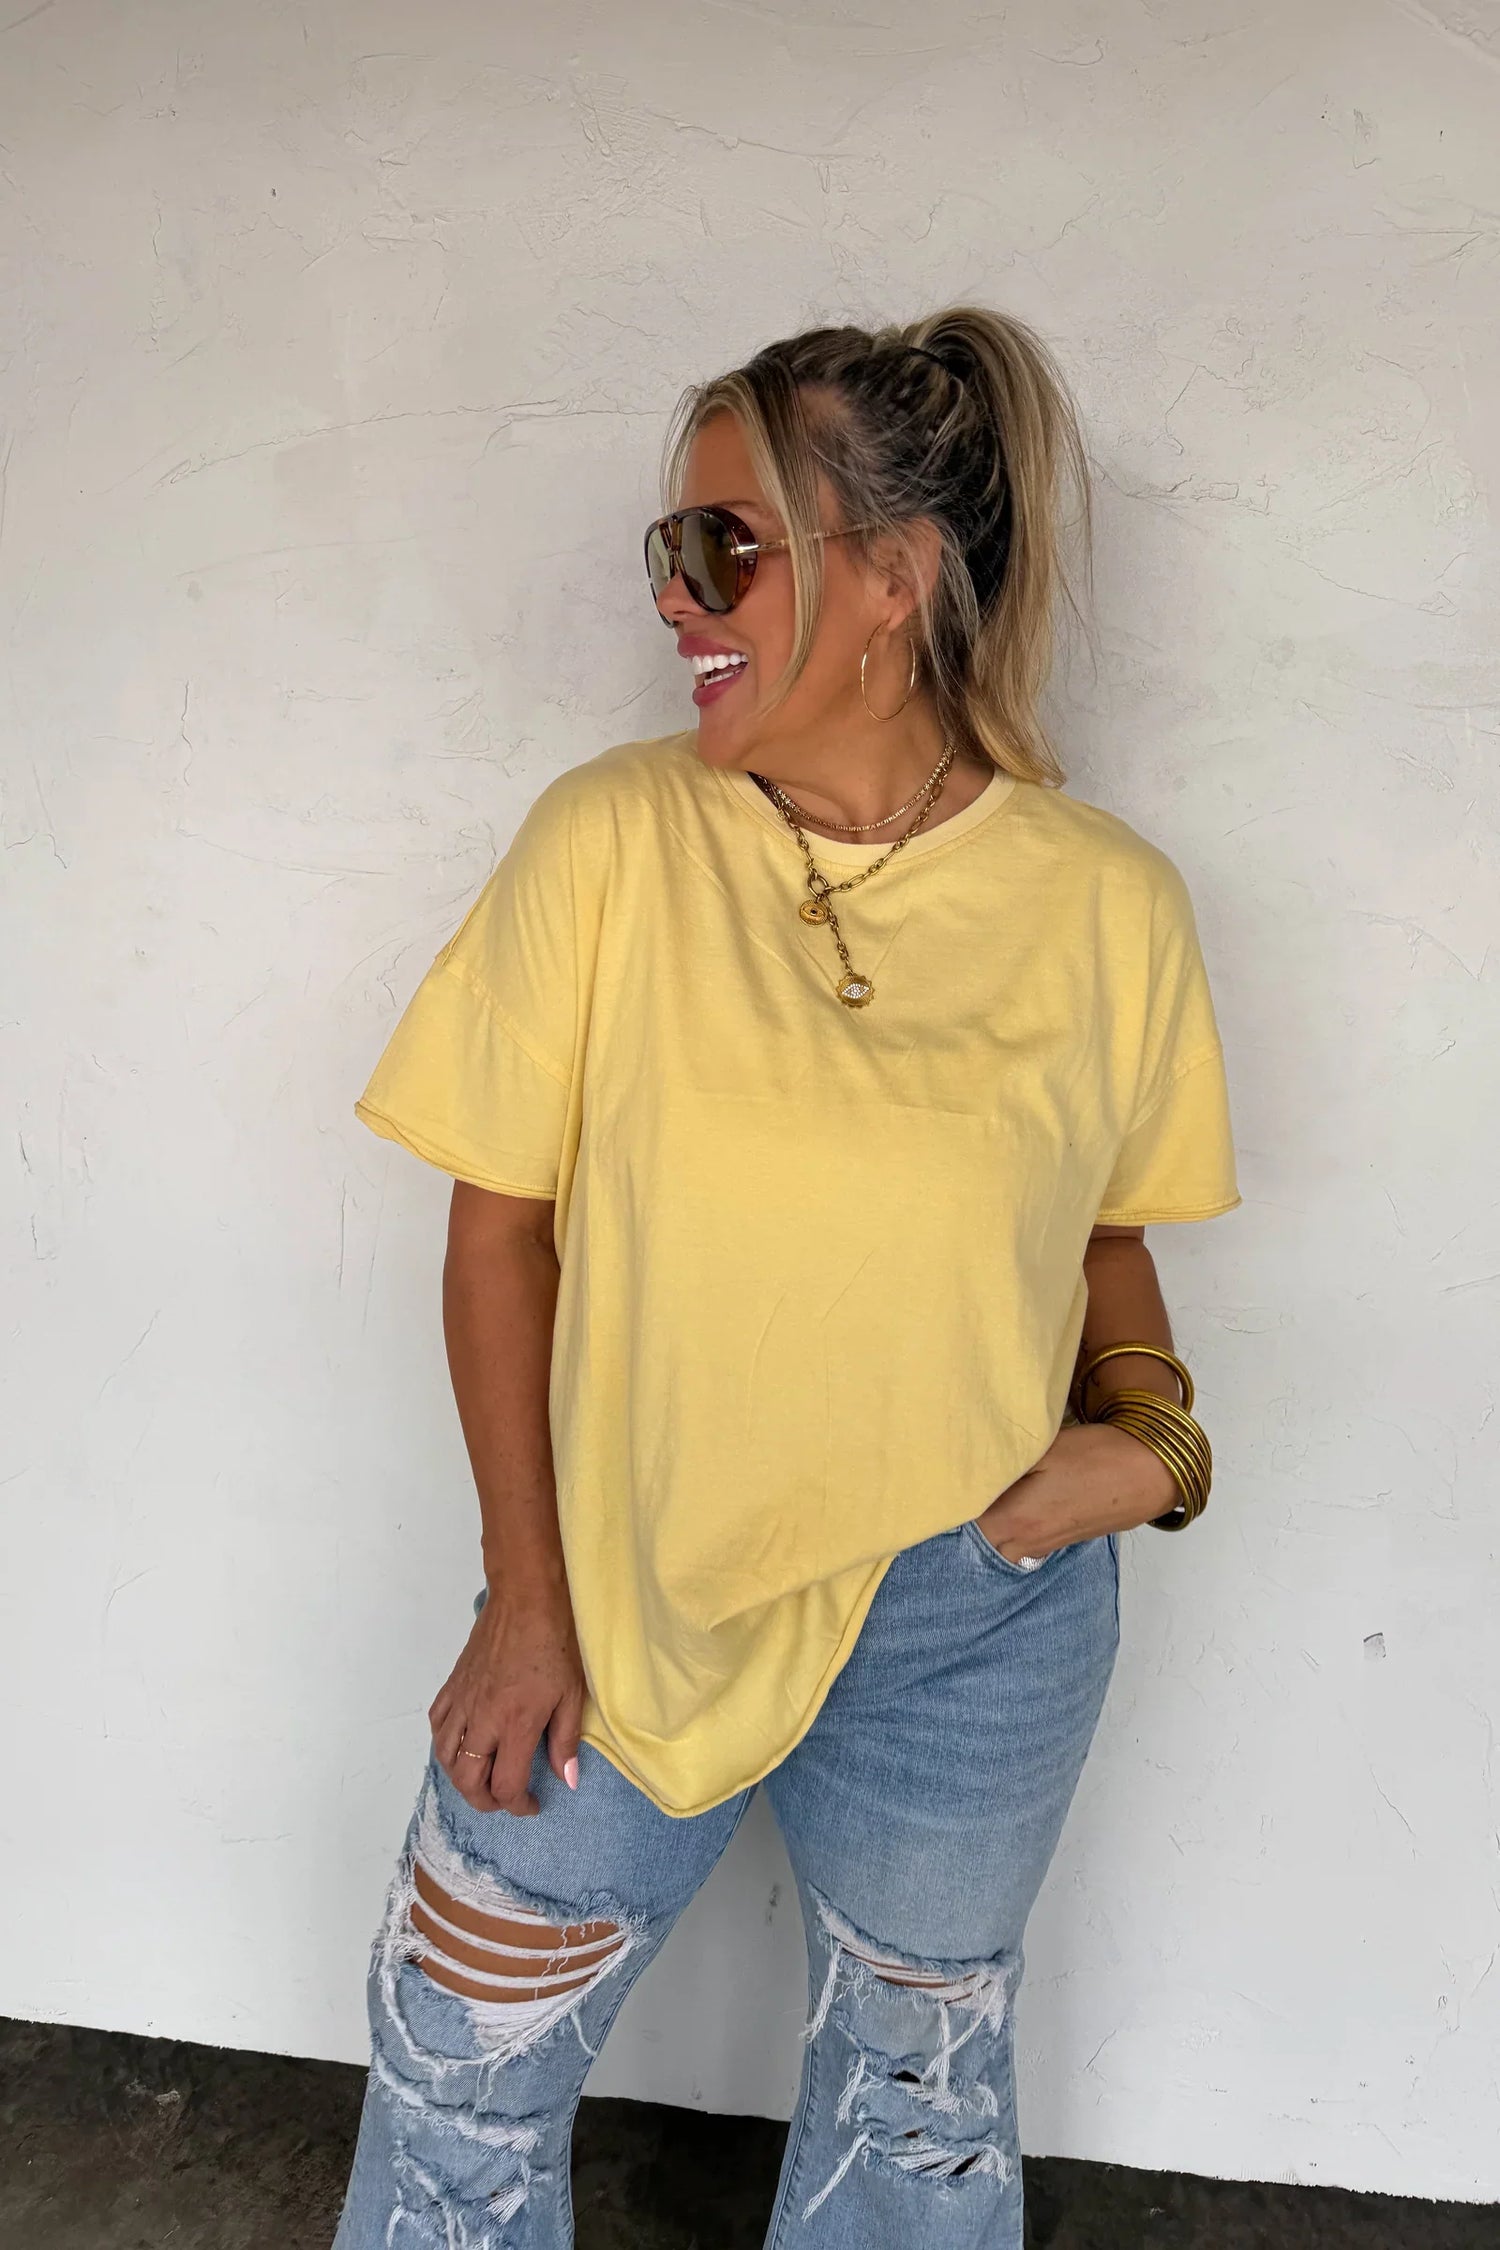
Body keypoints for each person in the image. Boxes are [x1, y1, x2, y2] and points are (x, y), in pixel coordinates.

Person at [331, 306, 1239, 2250]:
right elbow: (499, 1234)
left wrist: (1151, 1445)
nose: (676, 596)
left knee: (913, 2130)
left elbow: (1106, 1238)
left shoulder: (1107, 905)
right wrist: (525, 1598)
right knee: (456, 2077)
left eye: (720, 546)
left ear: (895, 577)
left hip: (970, 1619)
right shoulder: (611, 842)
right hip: (620, 1595)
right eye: (670, 550)